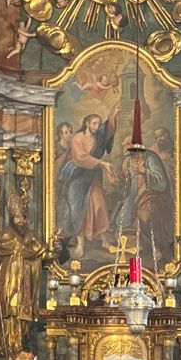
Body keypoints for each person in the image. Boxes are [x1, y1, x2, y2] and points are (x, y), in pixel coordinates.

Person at [0, 192, 46, 358]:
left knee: (21, 316)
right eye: (18, 217)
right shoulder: (5, 235)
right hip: (9, 280)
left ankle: (19, 345)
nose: (21, 221)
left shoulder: (30, 235)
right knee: (9, 312)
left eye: (23, 217)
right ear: (12, 218)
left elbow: (41, 251)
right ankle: (7, 346)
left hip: (25, 282)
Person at [56, 103, 121, 258]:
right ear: (87, 124)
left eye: (98, 123)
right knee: (78, 209)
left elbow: (107, 131)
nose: (97, 126)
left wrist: (113, 116)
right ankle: (80, 244)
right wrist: (101, 163)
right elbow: (80, 158)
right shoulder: (77, 138)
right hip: (76, 177)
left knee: (99, 205)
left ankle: (104, 240)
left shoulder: (98, 137)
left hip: (92, 177)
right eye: (94, 123)